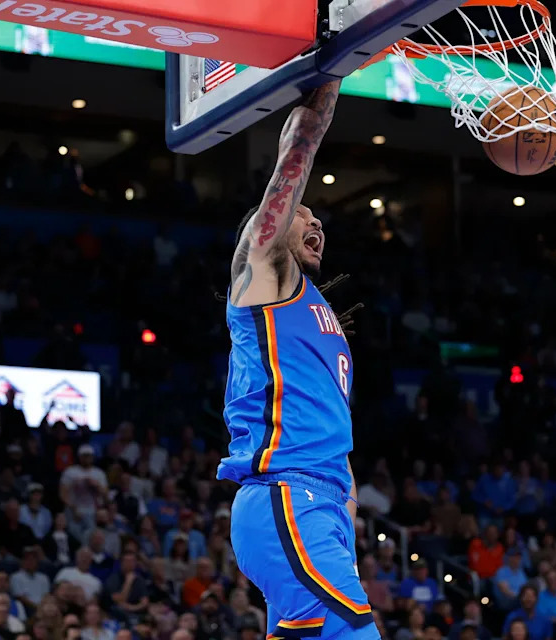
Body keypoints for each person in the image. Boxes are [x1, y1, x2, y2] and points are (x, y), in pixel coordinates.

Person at [217, 79, 375, 640]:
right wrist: (329, 81)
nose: (317, 223)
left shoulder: (326, 322)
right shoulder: (264, 281)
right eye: (304, 214)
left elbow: (339, 438)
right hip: (285, 494)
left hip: (322, 507)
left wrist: (345, 530)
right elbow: (295, 154)